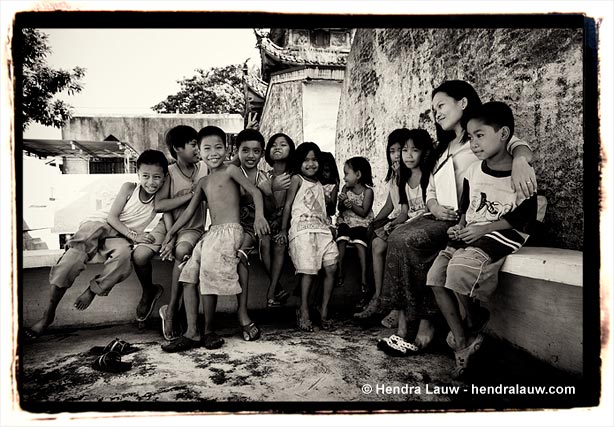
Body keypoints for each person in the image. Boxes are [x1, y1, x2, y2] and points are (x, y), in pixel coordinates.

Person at [379, 80, 536, 355]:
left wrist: (522, 160)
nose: (436, 113)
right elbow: (431, 188)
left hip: (467, 218)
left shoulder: (481, 139)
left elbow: (516, 144)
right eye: (433, 108)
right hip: (441, 215)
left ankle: (426, 324)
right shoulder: (443, 148)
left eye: (441, 105)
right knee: (398, 235)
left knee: (410, 239)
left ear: (462, 103)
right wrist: (434, 206)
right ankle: (404, 324)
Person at [427, 101, 537, 377]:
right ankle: (463, 340)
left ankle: (474, 321)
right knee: (435, 277)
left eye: (480, 135)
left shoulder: (519, 171)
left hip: (503, 233)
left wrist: (484, 230)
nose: (473, 144)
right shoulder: (475, 171)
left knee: (458, 270)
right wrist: (460, 226)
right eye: (470, 137)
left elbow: (524, 218)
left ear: (503, 134)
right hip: (473, 230)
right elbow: (468, 207)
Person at [26, 150, 169, 338]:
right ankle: (48, 314)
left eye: (157, 177)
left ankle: (93, 290)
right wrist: (135, 237)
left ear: (165, 177)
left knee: (124, 256)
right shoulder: (129, 188)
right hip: (99, 224)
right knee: (73, 258)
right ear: (138, 174)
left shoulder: (161, 200)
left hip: (120, 237)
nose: (151, 182)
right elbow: (112, 217)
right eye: (146, 176)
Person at [161, 126, 270, 352]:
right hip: (212, 234)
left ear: (226, 149)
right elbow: (190, 212)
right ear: (199, 152)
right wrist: (170, 235)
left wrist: (259, 217)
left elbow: (255, 191)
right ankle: (192, 332)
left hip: (230, 231)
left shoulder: (231, 171)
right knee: (188, 273)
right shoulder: (202, 183)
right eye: (207, 148)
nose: (213, 153)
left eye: (218, 147)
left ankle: (209, 330)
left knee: (208, 274)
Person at [131, 126, 208, 340]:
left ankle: (172, 310)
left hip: (192, 227)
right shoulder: (171, 172)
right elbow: (160, 205)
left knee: (181, 252)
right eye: (193, 144)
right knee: (139, 255)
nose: (198, 149)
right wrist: (191, 196)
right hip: (167, 225)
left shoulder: (205, 168)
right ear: (177, 148)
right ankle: (149, 292)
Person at [357, 129, 433, 321]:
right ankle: (378, 296)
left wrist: (393, 224)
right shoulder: (396, 177)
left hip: (418, 223)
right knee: (375, 240)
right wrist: (377, 223)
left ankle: (393, 304)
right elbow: (391, 205)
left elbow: (412, 209)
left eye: (401, 150)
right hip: (404, 220)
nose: (397, 155)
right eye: (392, 151)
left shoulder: (419, 175)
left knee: (388, 243)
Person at [278, 142, 339, 332]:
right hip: (302, 230)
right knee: (309, 270)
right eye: (306, 160)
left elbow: (325, 208)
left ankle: (324, 308)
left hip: (321, 230)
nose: (310, 164)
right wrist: (282, 229)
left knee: (332, 266)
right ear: (299, 162)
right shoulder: (297, 179)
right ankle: (303, 309)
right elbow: (288, 205)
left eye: (314, 160)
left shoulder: (320, 183)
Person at [233, 128, 275, 337]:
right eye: (245, 150)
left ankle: (243, 314)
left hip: (254, 227)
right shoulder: (231, 172)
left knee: (241, 256)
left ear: (262, 153)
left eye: (256, 151)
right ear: (236, 151)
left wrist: (267, 192)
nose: (251, 156)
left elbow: (272, 208)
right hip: (232, 226)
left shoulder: (264, 176)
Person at [262, 133, 295, 307]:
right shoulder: (264, 176)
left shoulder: (294, 177)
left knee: (280, 244)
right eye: (274, 144)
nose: (277, 147)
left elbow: (292, 206)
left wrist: (283, 225)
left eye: (283, 144)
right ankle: (278, 288)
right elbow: (266, 206)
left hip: (287, 224)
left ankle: (271, 290)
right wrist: (269, 191)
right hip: (268, 222)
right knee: (264, 242)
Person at [336, 156, 374, 299]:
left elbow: (364, 212)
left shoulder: (368, 192)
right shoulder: (345, 188)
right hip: (346, 221)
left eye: (346, 173)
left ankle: (364, 277)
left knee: (359, 244)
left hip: (361, 224)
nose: (344, 177)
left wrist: (350, 204)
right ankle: (339, 271)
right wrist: (342, 202)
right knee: (341, 239)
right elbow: (340, 209)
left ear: (358, 175)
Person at [319, 151, 341, 235]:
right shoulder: (311, 184)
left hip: (325, 220)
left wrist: (324, 197)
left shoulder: (332, 187)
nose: (323, 174)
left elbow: (332, 211)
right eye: (321, 170)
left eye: (327, 171)